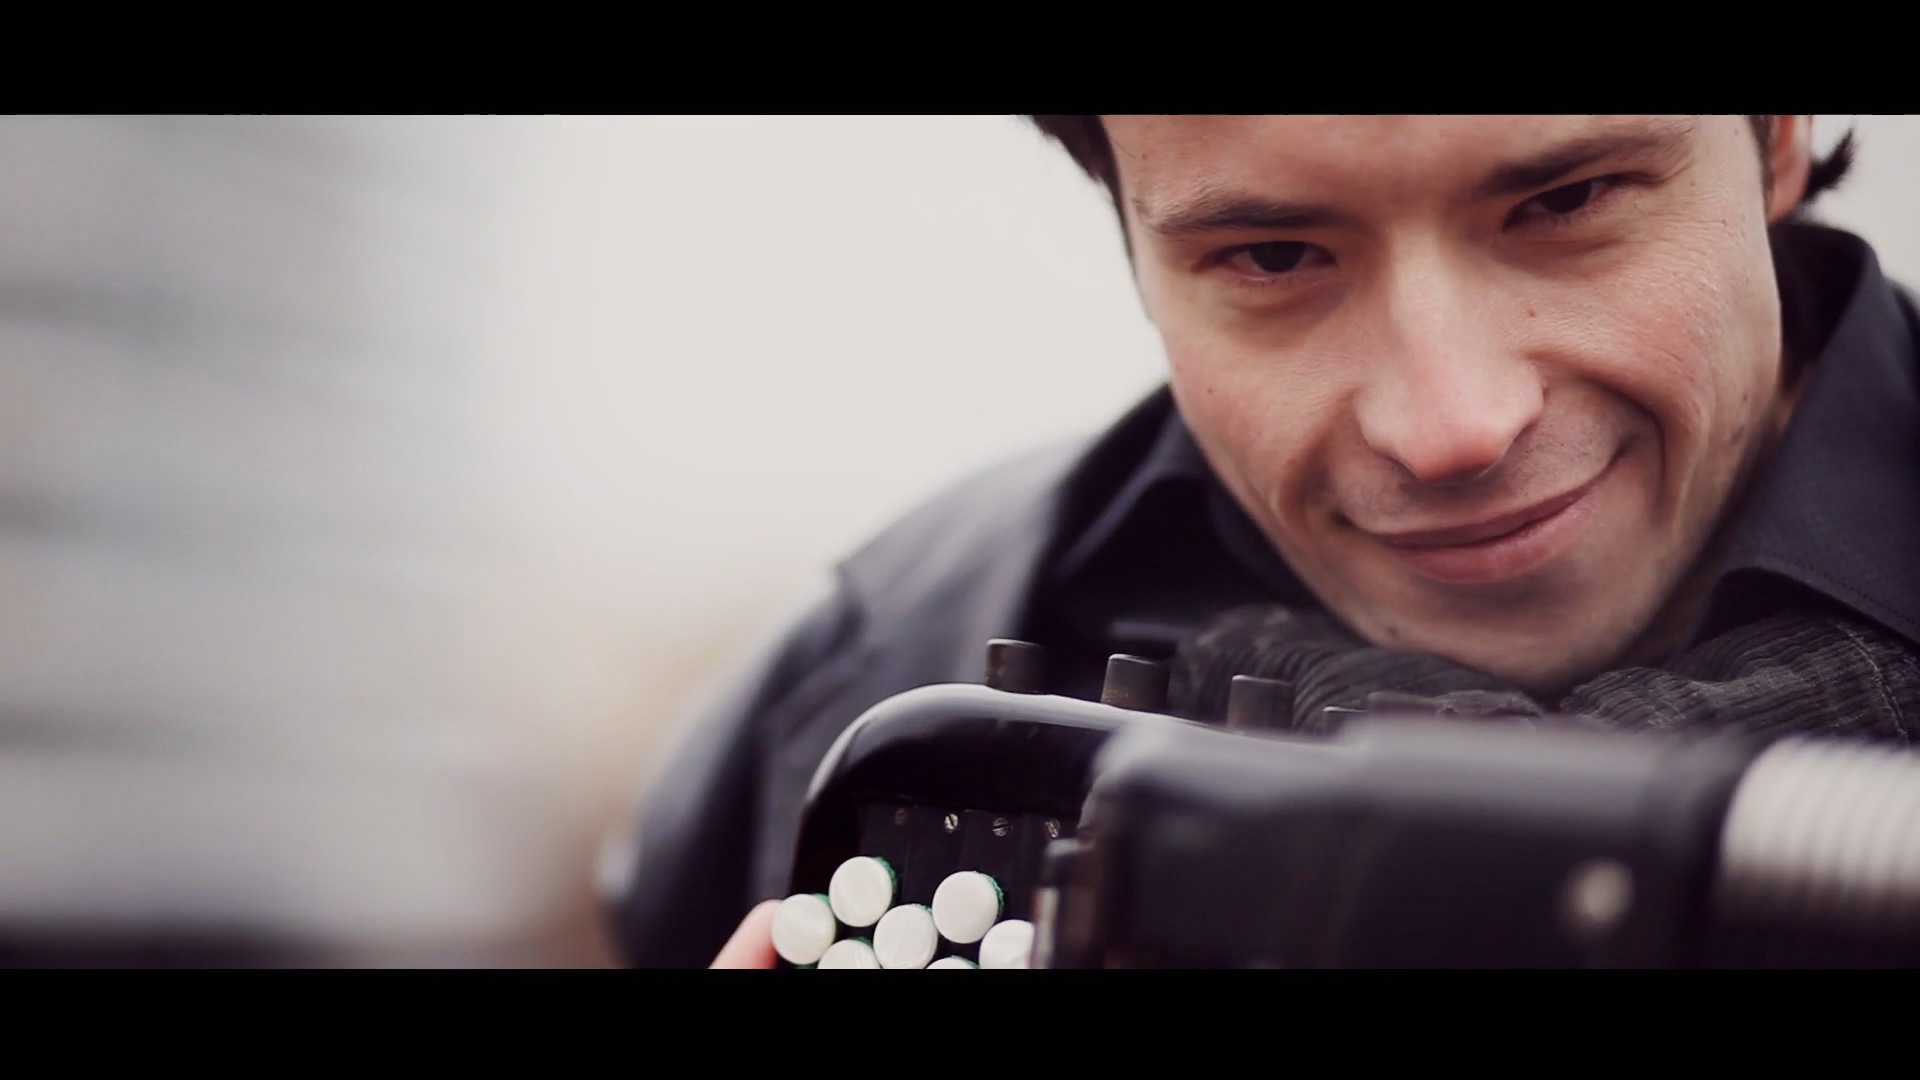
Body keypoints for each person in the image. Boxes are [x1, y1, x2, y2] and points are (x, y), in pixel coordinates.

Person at [596, 116, 1920, 969]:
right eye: (1276, 255)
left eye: (1567, 199)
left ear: (1777, 136)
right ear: (1131, 248)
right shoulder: (867, 660)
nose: (1450, 425)